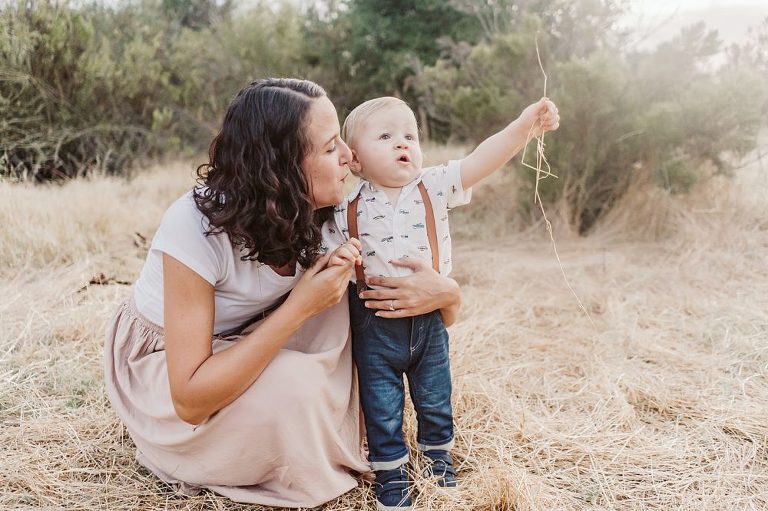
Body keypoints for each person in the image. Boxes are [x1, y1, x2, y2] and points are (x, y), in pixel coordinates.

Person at [103, 78, 462, 508]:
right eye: (331, 148)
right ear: (284, 169)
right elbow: (191, 399)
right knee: (296, 383)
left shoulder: (327, 212)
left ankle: (336, 425)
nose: (350, 156)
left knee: (345, 300)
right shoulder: (192, 226)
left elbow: (411, 315)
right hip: (172, 365)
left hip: (253, 333)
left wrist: (449, 295)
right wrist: (297, 309)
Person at [322, 95, 559, 509]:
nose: (403, 144)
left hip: (429, 322)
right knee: (382, 403)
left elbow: (484, 157)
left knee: (435, 395)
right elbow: (324, 260)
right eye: (386, 136)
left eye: (410, 136)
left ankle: (437, 458)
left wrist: (524, 126)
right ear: (355, 161)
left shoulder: (433, 186)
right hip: (374, 324)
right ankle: (391, 472)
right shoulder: (345, 209)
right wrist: (337, 260)